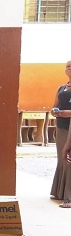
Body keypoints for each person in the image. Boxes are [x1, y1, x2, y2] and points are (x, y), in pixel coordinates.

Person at [51, 60, 71, 208]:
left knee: (69, 158)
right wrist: (56, 112)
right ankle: (60, 191)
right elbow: (55, 105)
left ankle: (69, 197)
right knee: (61, 158)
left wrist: (67, 113)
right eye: (68, 66)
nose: (69, 68)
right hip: (61, 126)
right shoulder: (62, 87)